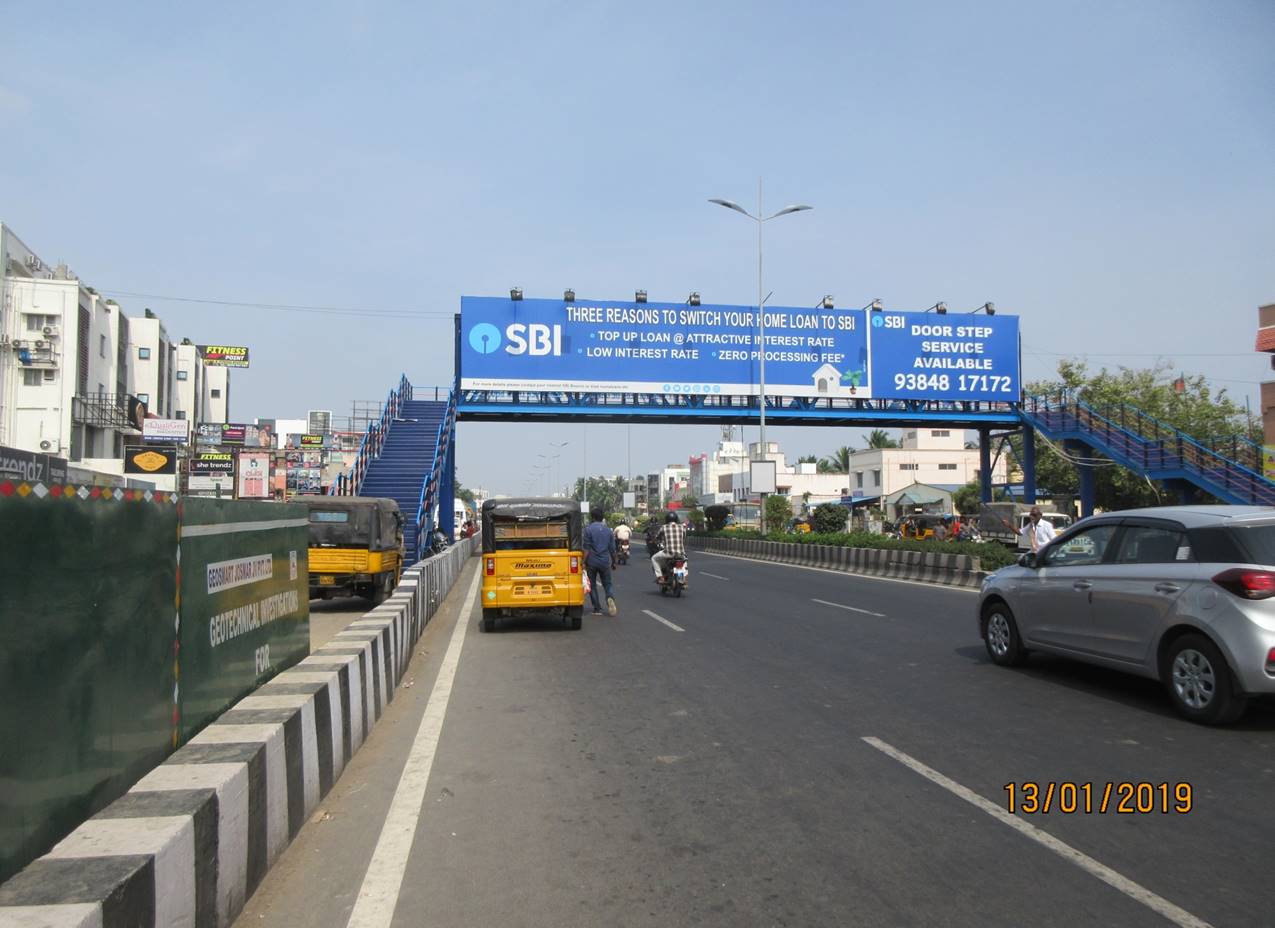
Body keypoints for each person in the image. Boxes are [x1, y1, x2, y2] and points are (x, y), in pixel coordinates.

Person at [583, 505, 618, 616]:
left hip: (592, 562)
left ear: (592, 518)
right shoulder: (608, 531)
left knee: (592, 585)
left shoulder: (588, 530)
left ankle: (597, 608)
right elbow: (612, 549)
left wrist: (583, 562)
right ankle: (610, 597)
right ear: (602, 517)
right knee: (607, 584)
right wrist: (614, 562)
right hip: (604, 561)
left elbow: (586, 549)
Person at [651, 512, 688, 585]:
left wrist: (654, 540)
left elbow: (657, 537)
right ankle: (684, 579)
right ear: (676, 519)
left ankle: (660, 577)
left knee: (653, 558)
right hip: (680, 554)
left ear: (667, 519)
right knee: (684, 561)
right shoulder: (682, 527)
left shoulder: (664, 527)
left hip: (668, 553)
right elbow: (684, 537)